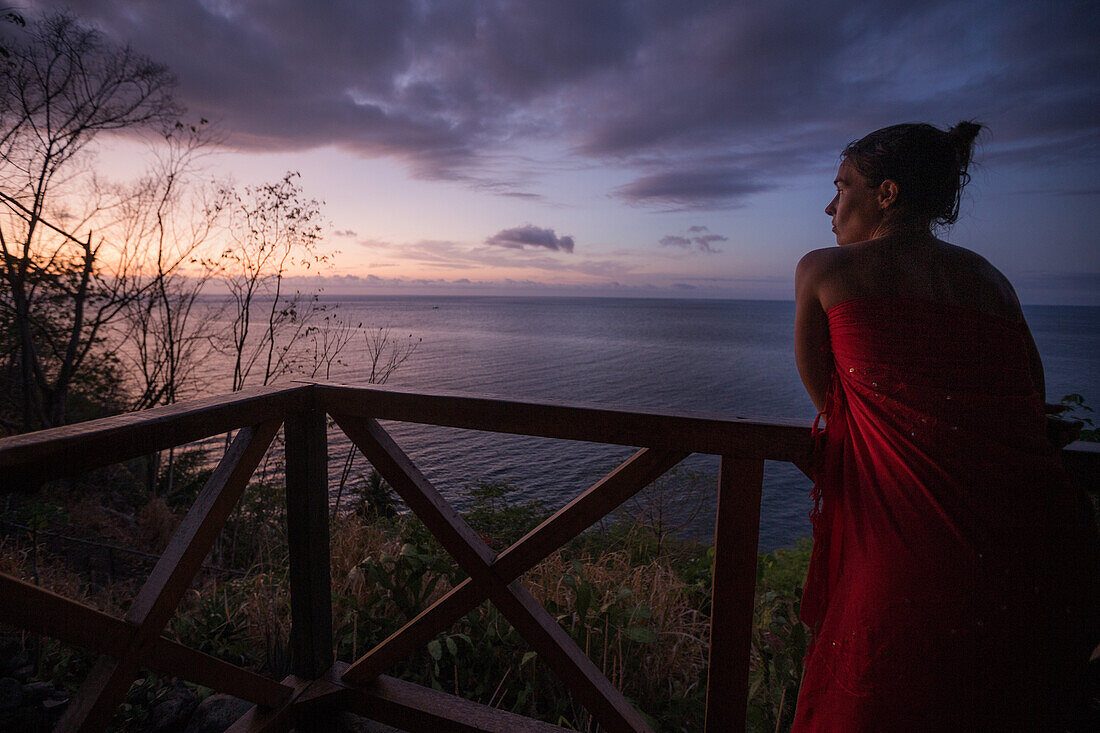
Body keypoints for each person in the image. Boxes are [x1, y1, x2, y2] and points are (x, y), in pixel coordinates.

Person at [791, 122, 1098, 730]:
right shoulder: (993, 282)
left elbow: (827, 395)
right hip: (1022, 542)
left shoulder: (826, 271)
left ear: (886, 193)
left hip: (907, 547)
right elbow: (1030, 394)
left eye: (842, 186)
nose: (830, 206)